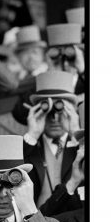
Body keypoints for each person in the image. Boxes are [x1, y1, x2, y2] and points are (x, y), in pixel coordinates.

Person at [23, 71, 81, 207]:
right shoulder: (29, 145)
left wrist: (77, 134)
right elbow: (12, 173)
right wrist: (32, 134)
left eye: (60, 111)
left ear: (71, 111)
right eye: (48, 112)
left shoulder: (83, 145)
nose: (54, 118)